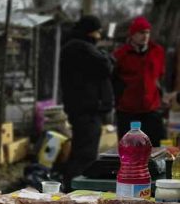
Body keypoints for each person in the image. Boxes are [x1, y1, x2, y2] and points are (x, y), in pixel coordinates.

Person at [59, 15, 114, 190]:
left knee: (83, 151)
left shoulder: (77, 47)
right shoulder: (79, 48)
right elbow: (105, 65)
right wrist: (108, 56)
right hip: (86, 110)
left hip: (85, 109)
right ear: (91, 31)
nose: (99, 36)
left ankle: (74, 188)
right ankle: (76, 190)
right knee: (85, 155)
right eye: (98, 32)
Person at [113, 16, 166, 146]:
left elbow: (159, 75)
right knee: (131, 149)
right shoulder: (121, 54)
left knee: (157, 147)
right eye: (141, 32)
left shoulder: (157, 51)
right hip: (128, 111)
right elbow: (114, 79)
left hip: (151, 108)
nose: (145, 36)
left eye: (147, 32)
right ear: (132, 35)